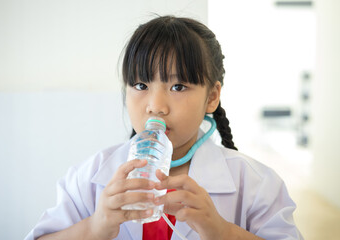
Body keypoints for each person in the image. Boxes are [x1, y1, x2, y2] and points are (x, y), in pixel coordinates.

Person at [25, 15, 303, 240]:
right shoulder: (90, 178)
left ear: (212, 97)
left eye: (178, 86)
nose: (156, 106)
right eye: (141, 85)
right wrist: (96, 227)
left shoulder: (256, 183)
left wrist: (222, 232)